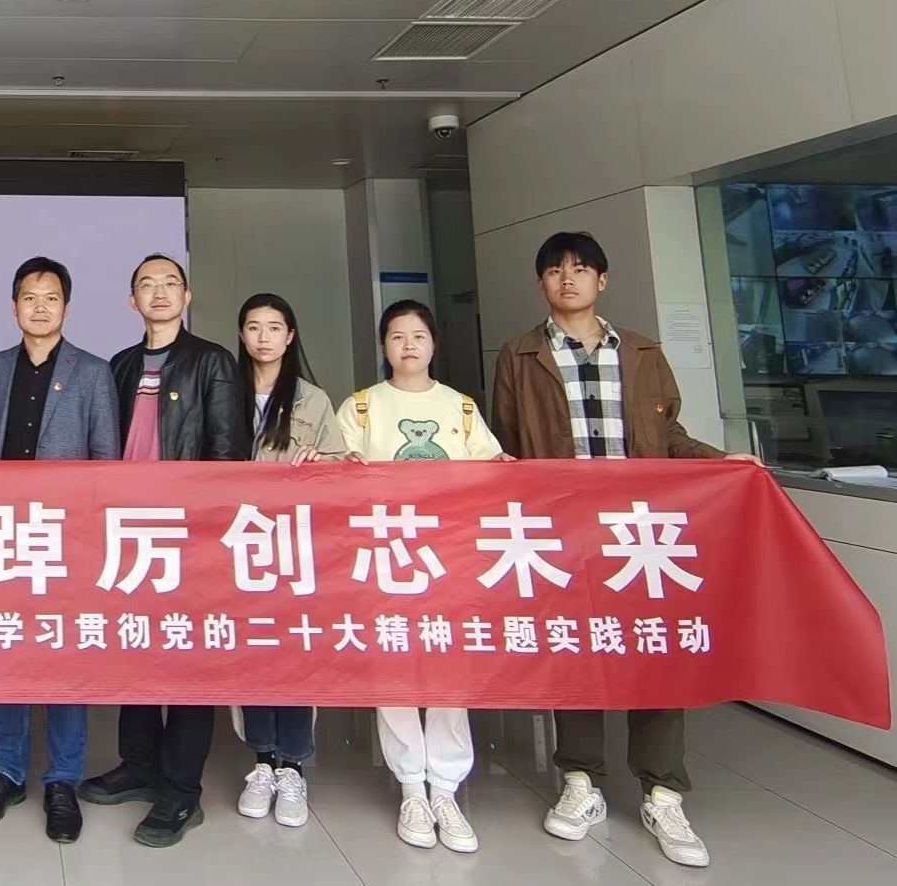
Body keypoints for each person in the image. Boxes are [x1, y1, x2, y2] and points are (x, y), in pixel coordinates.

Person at [491, 231, 758, 870]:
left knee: (653, 647)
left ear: (602, 281)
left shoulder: (639, 350)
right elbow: (506, 442)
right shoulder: (519, 354)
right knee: (574, 647)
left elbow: (668, 436)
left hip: (640, 529)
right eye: (555, 271)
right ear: (541, 283)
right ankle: (579, 779)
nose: (568, 279)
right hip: (563, 528)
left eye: (581, 269)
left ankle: (663, 792)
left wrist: (723, 463)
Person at [82, 253, 249, 848]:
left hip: (187, 535)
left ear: (187, 296)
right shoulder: (120, 365)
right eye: (147, 285)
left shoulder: (212, 361)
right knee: (135, 649)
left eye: (170, 283)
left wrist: (206, 533)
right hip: (130, 534)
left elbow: (228, 455)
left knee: (185, 660)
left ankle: (181, 790)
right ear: (132, 301)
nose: (159, 293)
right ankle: (138, 764)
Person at [335, 298, 511, 855]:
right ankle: (412, 785)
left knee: (449, 667)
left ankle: (447, 788)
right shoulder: (360, 407)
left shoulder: (462, 407)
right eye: (396, 336)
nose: (408, 345)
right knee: (395, 665)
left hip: (450, 557)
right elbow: (338, 478)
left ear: (434, 343)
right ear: (383, 345)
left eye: (418, 335)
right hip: (386, 556)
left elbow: (492, 471)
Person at [0, 257, 119, 844]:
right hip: (5, 534)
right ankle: (6, 772)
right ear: (14, 307)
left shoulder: (93, 372)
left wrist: (92, 538)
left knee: (64, 658)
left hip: (67, 538)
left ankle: (62, 779)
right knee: (8, 651)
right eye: (29, 297)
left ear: (66, 308)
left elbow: (106, 463)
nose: (39, 307)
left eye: (50, 297)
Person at [231, 293, 346, 831]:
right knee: (254, 649)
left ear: (290, 336)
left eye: (274, 327)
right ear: (241, 335)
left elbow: (341, 464)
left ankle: (293, 766)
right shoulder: (224, 390)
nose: (263, 337)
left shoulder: (312, 399)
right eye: (254, 327)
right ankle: (262, 762)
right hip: (237, 541)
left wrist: (321, 462)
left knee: (294, 649)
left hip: (293, 543)